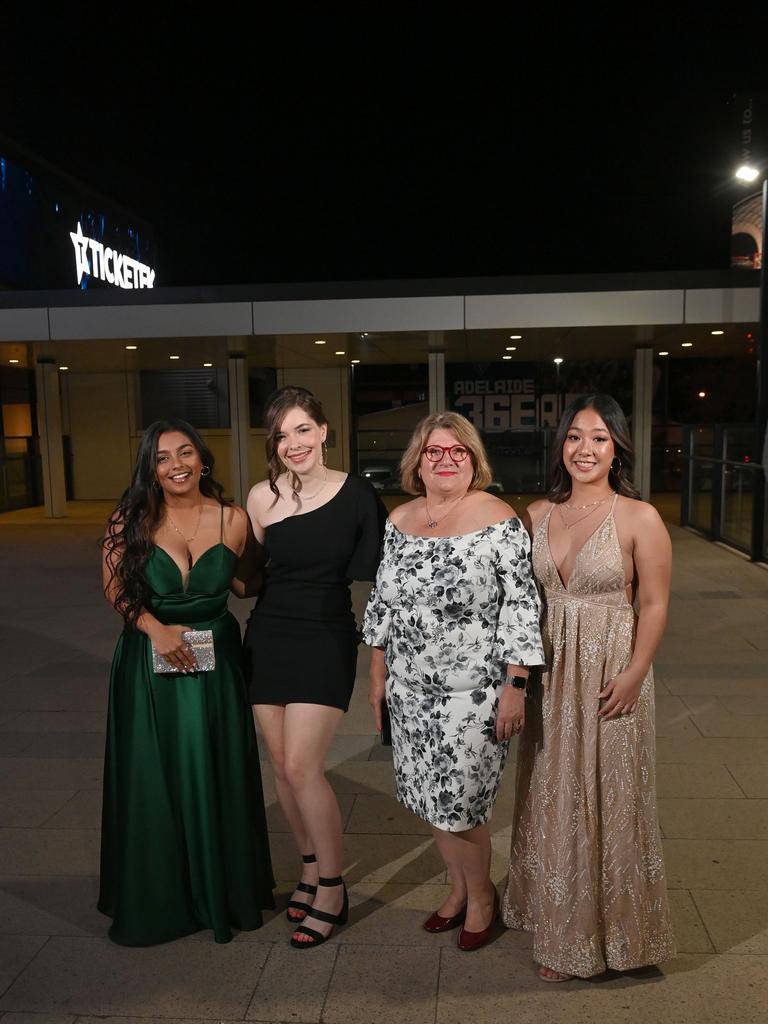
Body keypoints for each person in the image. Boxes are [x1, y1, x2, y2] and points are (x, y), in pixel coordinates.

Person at [503, 394, 676, 981]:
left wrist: (634, 673)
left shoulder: (639, 517)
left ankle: (625, 938)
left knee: (613, 798)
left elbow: (653, 603)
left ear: (617, 447)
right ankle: (564, 932)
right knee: (554, 796)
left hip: (612, 674)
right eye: (575, 437)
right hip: (549, 676)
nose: (585, 449)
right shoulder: (533, 515)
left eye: (599, 438)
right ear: (561, 446)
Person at [363, 412, 544, 952]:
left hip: (474, 693)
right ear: (417, 461)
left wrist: (516, 685)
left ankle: (483, 896)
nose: (445, 460)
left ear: (474, 459)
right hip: (409, 690)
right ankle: (460, 888)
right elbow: (382, 604)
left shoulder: (498, 518)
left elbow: (521, 606)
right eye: (434, 452)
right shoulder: (399, 519)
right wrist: (377, 677)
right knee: (428, 798)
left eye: (457, 451)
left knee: (462, 804)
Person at [99, 418, 274, 945]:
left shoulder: (233, 519)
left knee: (215, 768)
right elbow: (114, 588)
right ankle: (162, 896)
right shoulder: (128, 520)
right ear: (151, 469)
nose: (175, 465)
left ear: (203, 459)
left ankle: (221, 889)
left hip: (216, 665)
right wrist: (154, 629)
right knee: (155, 774)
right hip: (150, 661)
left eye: (185, 453)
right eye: (162, 457)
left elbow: (247, 582)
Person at [243, 386, 385, 949]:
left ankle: (332, 886)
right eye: (281, 434)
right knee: (279, 766)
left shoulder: (357, 495)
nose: (293, 443)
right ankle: (307, 865)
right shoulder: (261, 498)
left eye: (303, 429)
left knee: (303, 766)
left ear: (324, 431)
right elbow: (247, 575)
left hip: (326, 636)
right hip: (268, 634)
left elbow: (386, 580)